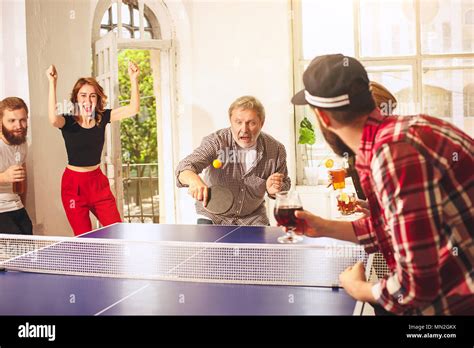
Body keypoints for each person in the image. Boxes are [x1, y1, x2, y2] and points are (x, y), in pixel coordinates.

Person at [290, 54, 473, 315]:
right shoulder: (401, 134)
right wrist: (324, 227)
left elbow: (415, 288)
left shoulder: (392, 153)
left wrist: (359, 288)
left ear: (324, 118)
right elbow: (398, 228)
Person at [46, 62, 140, 235]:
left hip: (97, 184)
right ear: (76, 98)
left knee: (117, 231)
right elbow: (53, 119)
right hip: (73, 186)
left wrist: (134, 79)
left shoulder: (102, 117)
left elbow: (133, 109)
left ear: (97, 99)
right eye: (83, 96)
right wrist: (52, 83)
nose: (88, 100)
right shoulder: (68, 121)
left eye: (92, 96)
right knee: (84, 238)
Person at [176, 95, 291, 225]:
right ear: (230, 121)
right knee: (206, 246)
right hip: (213, 217)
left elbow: (285, 184)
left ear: (261, 123)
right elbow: (184, 167)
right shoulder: (216, 142)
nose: (244, 129)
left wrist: (276, 190)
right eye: (238, 122)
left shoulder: (276, 150)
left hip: (253, 218)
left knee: (264, 246)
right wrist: (193, 180)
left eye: (251, 123)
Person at [0, 97, 33, 235]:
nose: (19, 125)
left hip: (17, 206)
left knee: (30, 253)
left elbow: (22, 178)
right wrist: (4, 177)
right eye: (12, 121)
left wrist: (22, 205)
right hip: (1, 211)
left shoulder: (22, 143)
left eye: (22, 120)